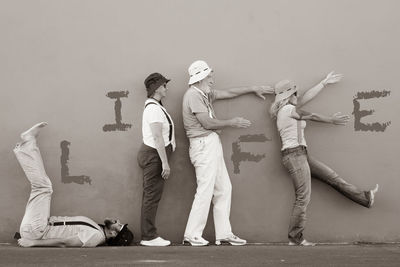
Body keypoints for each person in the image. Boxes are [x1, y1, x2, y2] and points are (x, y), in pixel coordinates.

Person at [269, 72, 379, 246]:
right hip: (294, 156)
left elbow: (306, 97)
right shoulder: (288, 110)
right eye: (295, 93)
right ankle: (295, 239)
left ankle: (364, 198)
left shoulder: (290, 108)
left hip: (301, 154)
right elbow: (311, 115)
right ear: (289, 95)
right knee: (303, 197)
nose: (299, 96)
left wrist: (324, 83)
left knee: (332, 178)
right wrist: (332, 120)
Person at [182, 60, 273, 246]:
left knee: (224, 189)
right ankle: (191, 234)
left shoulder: (204, 94)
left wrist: (252, 88)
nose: (212, 79)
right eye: (209, 76)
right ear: (199, 78)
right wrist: (232, 122)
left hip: (210, 144)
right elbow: (206, 123)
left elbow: (229, 93)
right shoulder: (193, 95)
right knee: (205, 190)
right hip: (203, 145)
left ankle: (224, 234)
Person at [14, 122, 133, 248]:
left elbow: (65, 242)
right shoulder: (97, 229)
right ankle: (27, 145)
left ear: (113, 234)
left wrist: (33, 243)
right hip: (39, 226)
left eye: (119, 225)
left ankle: (27, 144)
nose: (117, 221)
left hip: (37, 231)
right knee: (43, 187)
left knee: (43, 187)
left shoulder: (96, 237)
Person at [137, 73, 176, 246]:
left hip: (155, 154)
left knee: (151, 195)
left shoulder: (156, 107)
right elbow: (157, 137)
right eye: (164, 85)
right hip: (155, 156)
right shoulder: (153, 109)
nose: (166, 88)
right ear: (157, 88)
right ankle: (149, 237)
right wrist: (165, 163)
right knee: (151, 197)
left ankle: (149, 235)